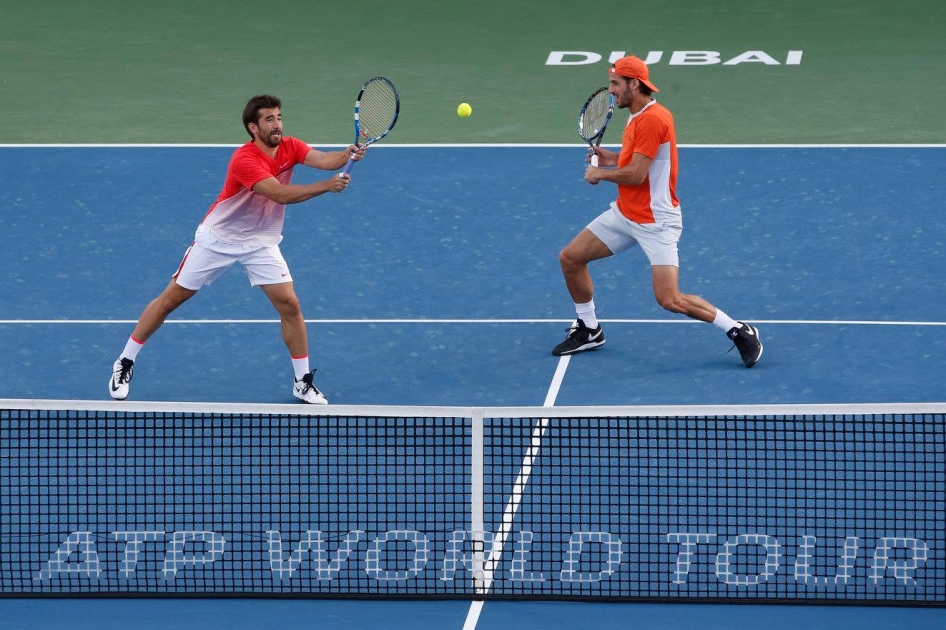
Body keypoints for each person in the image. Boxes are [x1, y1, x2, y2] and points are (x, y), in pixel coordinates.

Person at [109, 94, 366, 403]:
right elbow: (279, 194)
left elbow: (324, 160)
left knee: (290, 305)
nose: (277, 124)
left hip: (260, 242)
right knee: (171, 300)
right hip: (219, 239)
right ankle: (124, 361)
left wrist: (346, 154)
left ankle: (302, 381)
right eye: (269, 119)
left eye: (279, 117)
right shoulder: (244, 160)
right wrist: (326, 186)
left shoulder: (291, 146)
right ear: (253, 128)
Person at [552, 56, 763, 368]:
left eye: (615, 84)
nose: (611, 92)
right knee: (570, 258)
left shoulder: (653, 119)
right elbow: (639, 158)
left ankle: (738, 331)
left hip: (656, 222)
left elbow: (637, 174)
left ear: (634, 84)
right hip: (626, 214)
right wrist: (610, 158)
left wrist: (601, 174)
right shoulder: (637, 115)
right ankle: (589, 329)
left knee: (669, 299)